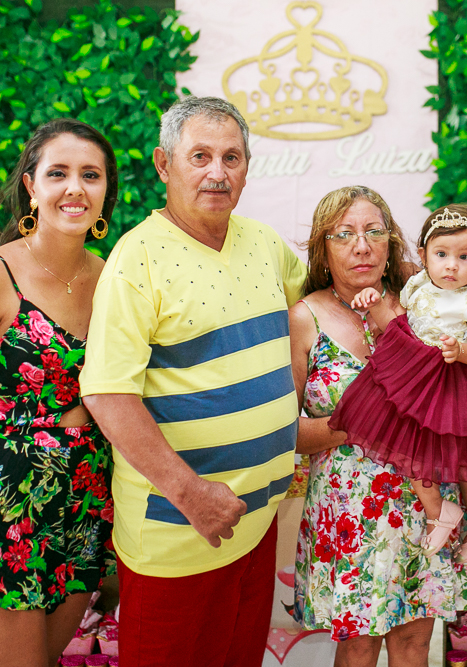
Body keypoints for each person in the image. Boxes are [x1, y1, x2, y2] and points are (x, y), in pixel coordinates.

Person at [78, 96, 307, 667]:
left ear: (247, 168)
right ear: (164, 164)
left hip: (255, 525)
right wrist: (190, 495)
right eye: (199, 156)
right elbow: (107, 394)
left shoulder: (264, 243)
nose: (217, 173)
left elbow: (318, 308)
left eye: (231, 157)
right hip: (179, 531)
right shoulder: (137, 259)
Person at [0, 118, 116, 667]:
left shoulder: (114, 280)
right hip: (7, 510)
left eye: (91, 175)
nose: (75, 188)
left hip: (87, 504)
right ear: (32, 186)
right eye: (58, 173)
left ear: (106, 190)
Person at [291, 186, 467, 667]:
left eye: (374, 232)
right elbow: (288, 434)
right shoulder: (304, 317)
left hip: (429, 512)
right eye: (344, 234)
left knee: (415, 646)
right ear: (322, 248)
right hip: (349, 516)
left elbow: (463, 392)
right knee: (357, 648)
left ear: (392, 241)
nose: (361, 246)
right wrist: (369, 416)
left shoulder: (425, 303)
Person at [327, 204, 467, 561]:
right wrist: (374, 302)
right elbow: (399, 325)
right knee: (409, 443)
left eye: (464, 257)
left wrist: (461, 350)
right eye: (441, 255)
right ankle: (438, 510)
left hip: (460, 380)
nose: (451, 266)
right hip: (422, 377)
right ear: (423, 256)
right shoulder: (418, 285)